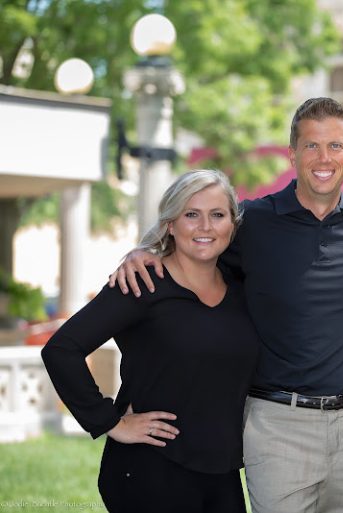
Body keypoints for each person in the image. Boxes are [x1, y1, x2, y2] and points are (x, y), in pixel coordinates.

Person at [110, 98, 343, 513]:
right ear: (292, 153)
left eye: (336, 146)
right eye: (311, 146)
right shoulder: (253, 222)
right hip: (277, 423)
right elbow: (195, 245)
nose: (324, 158)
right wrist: (145, 250)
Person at [42, 169, 258, 513]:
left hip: (222, 470)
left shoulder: (242, 290)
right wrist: (110, 421)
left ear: (232, 225)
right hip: (150, 468)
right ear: (171, 224)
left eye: (217, 215)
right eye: (191, 214)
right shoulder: (141, 283)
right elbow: (62, 350)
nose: (205, 226)